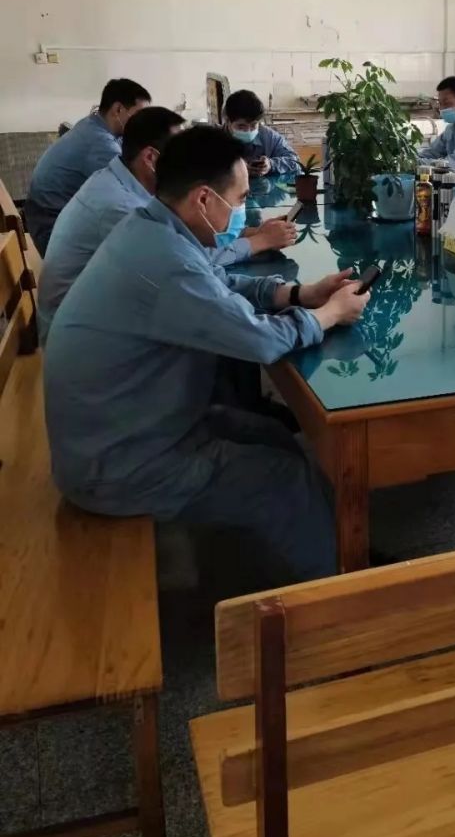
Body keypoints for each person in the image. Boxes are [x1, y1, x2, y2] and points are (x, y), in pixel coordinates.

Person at [44, 125, 369, 583]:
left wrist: (299, 293)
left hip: (127, 428)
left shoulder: (153, 229)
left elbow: (217, 284)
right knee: (284, 476)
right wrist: (329, 314)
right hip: (117, 466)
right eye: (239, 200)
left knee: (272, 436)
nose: (241, 212)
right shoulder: (165, 260)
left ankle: (337, 544)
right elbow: (259, 341)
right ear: (202, 199)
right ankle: (342, 590)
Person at [38, 109, 301, 343]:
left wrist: (251, 235)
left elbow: (196, 259)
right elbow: (193, 261)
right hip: (90, 339)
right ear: (152, 158)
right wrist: (258, 242)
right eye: (183, 151)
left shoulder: (122, 188)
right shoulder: (120, 209)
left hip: (94, 328)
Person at [25, 78, 152, 254]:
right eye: (139, 116)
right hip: (50, 232)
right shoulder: (99, 143)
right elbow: (135, 189)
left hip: (43, 219)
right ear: (118, 109)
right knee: (143, 242)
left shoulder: (92, 124)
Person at [224, 89, 301, 177]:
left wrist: (271, 164)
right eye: (241, 126)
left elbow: (295, 162)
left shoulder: (269, 137)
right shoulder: (213, 139)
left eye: (253, 125)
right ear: (227, 121)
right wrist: (236, 169)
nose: (248, 131)